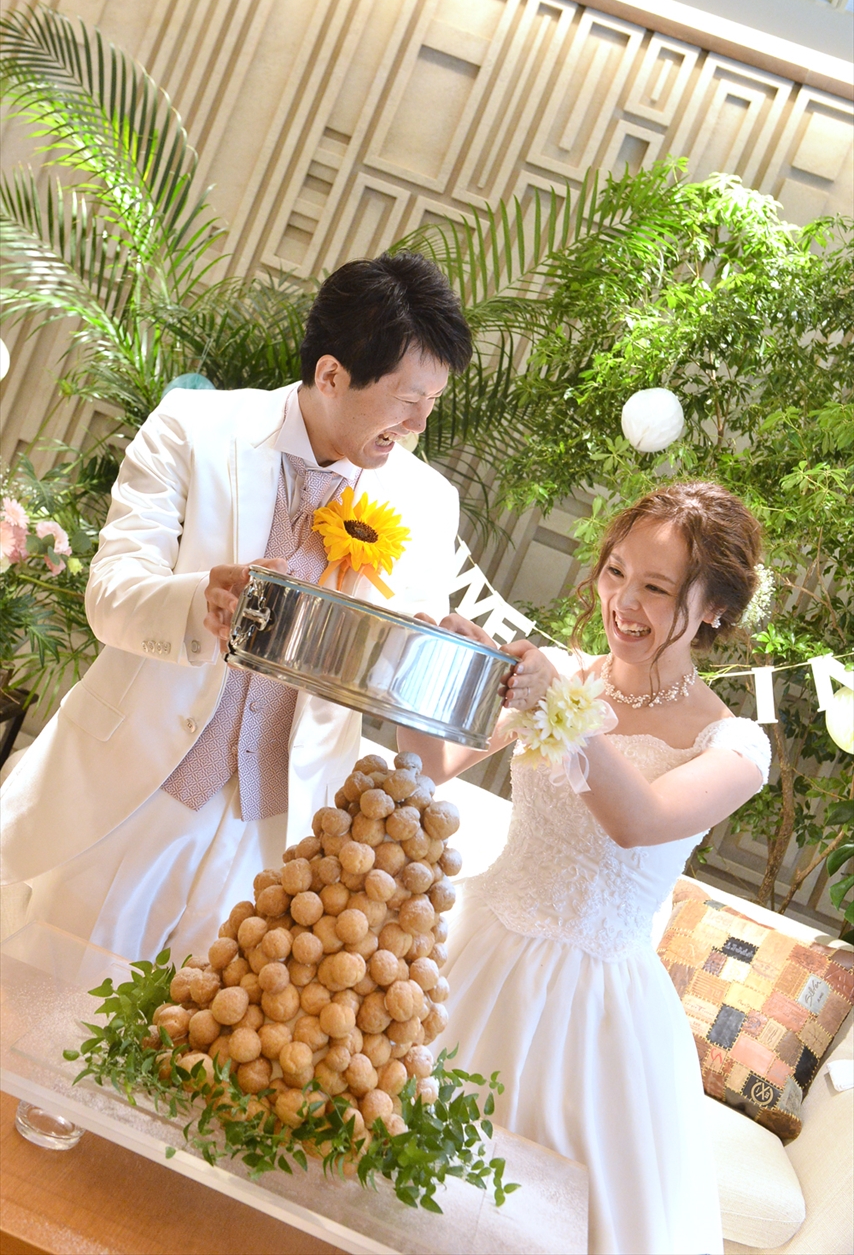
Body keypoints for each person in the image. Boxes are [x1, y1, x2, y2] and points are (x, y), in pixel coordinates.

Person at [0, 252, 472, 963]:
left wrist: (452, 658)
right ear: (331, 374)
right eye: (408, 399)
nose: (419, 422)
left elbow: (405, 674)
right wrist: (201, 603)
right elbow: (111, 595)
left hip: (275, 841)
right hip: (130, 792)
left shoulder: (429, 502)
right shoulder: (194, 427)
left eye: (433, 400)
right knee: (43, 996)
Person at [398, 482, 772, 1255]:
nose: (623, 603)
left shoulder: (734, 745)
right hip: (473, 950)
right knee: (395, 1180)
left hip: (595, 1007)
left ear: (713, 608)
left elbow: (640, 822)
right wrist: (435, 667)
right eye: (616, 572)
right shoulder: (564, 675)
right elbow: (430, 768)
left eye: (657, 588)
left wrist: (559, 704)